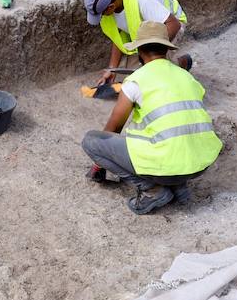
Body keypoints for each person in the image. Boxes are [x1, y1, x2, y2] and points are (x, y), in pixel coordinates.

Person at [81, 21, 222, 215]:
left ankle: (154, 190)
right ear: (166, 48)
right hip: (200, 163)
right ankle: (180, 188)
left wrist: (100, 163)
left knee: (91, 141)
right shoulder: (187, 77)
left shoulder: (136, 81)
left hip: (169, 165)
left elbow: (113, 129)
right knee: (173, 136)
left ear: (140, 51)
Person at [84, 0, 191, 88]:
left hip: (170, 25)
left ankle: (181, 64)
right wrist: (111, 70)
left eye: (102, 14)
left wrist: (151, 55)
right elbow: (118, 37)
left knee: (153, 76)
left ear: (111, 7)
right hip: (147, 35)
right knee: (134, 75)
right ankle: (166, 65)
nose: (102, 17)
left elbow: (174, 24)